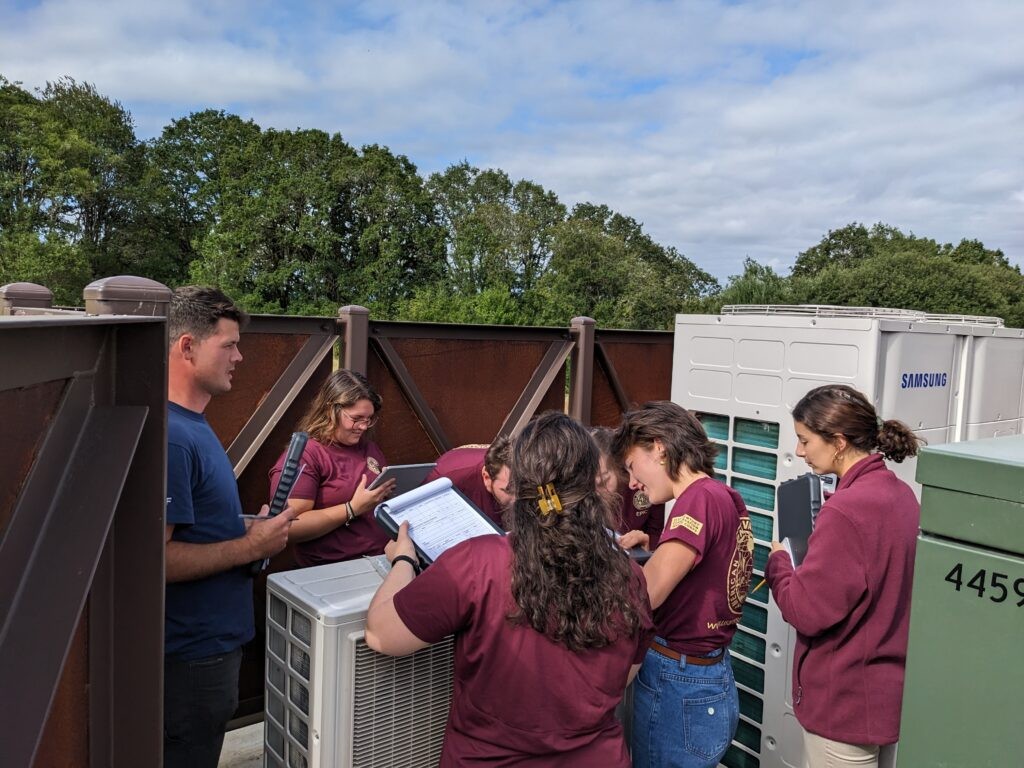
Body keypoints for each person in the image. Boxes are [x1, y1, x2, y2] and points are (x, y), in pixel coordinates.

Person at [365, 412, 655, 766]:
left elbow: (382, 635)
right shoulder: (630, 575)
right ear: (593, 484)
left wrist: (404, 561)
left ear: (520, 484)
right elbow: (623, 675)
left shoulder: (478, 563)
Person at [164, 286, 297, 768]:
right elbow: (155, 560)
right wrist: (250, 544)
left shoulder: (192, 425)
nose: (239, 356)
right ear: (186, 346)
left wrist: (245, 526)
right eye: (229, 344)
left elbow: (194, 526)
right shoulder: (174, 437)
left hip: (211, 647)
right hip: (190, 657)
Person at [765, 384, 922, 768]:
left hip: (844, 709)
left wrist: (779, 562)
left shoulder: (846, 511)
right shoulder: (901, 495)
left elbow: (806, 611)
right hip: (883, 701)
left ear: (837, 441)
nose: (799, 452)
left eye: (804, 440)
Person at [611, 401, 754, 768]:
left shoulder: (697, 500)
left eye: (631, 466)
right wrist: (656, 551)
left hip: (680, 683)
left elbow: (648, 594)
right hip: (706, 676)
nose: (633, 483)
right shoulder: (722, 496)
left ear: (658, 447)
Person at [269, 369, 396, 566]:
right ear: (331, 411)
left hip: (382, 558)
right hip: (335, 567)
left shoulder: (368, 447)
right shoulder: (307, 454)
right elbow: (288, 527)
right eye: (356, 418)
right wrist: (352, 508)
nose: (363, 426)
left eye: (368, 419)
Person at [591, 426, 666, 550]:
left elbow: (657, 534)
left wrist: (644, 540)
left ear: (618, 468)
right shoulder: (582, 494)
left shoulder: (642, 484)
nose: (597, 492)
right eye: (590, 485)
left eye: (603, 482)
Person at [423, 437, 512, 527]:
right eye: (509, 490)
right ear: (487, 477)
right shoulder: (445, 482)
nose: (520, 496)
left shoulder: (511, 463)